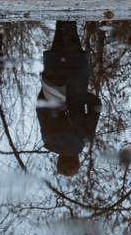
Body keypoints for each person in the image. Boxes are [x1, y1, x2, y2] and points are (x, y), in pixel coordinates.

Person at [36, 20, 101, 175]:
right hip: (54, 77)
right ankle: (61, 4)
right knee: (60, 30)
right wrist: (49, 89)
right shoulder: (49, 140)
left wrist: (79, 96)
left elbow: (96, 105)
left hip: (76, 74)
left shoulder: (84, 138)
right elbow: (40, 108)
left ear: (76, 160)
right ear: (59, 161)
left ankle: (69, 2)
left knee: (71, 29)